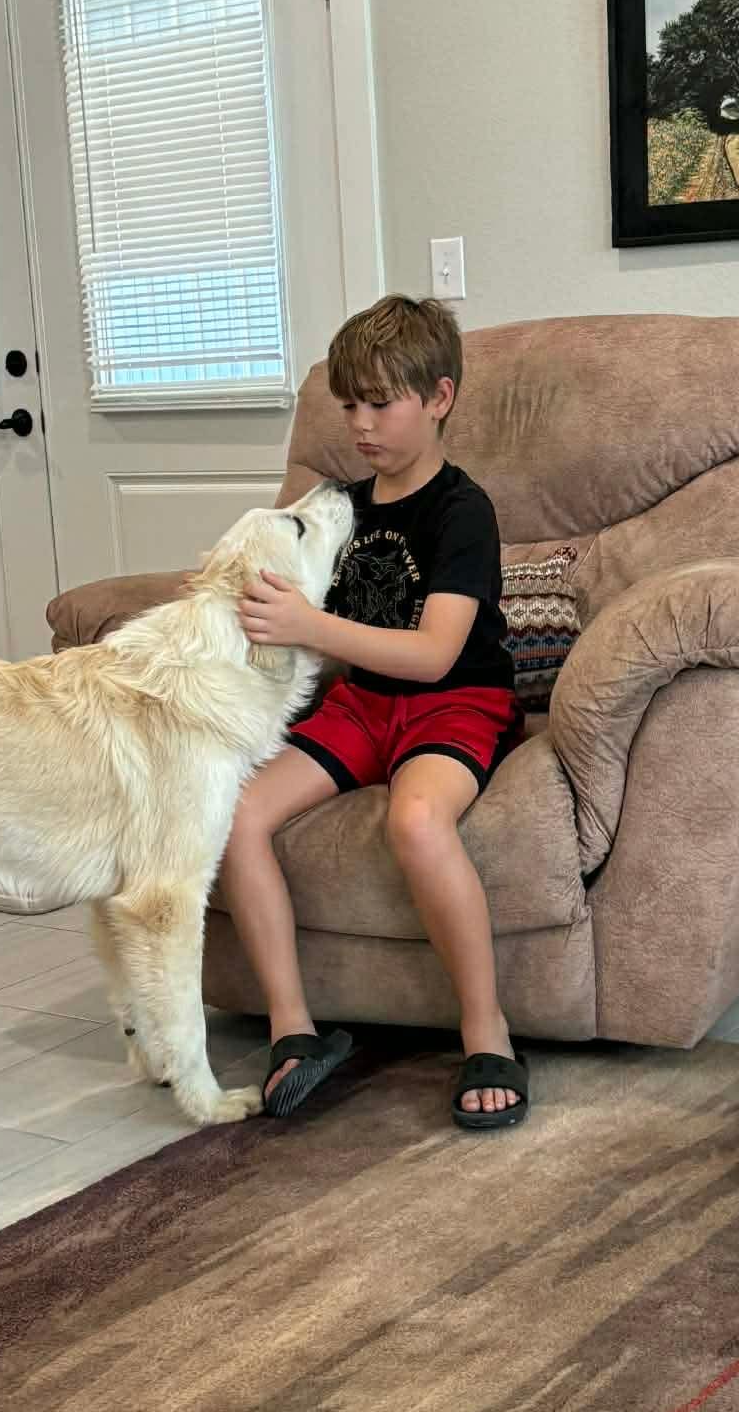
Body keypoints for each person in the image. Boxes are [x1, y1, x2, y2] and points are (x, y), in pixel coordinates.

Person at [223, 294, 528, 1131]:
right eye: (348, 405)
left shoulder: (464, 511)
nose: (360, 424)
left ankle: (486, 1030)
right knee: (240, 813)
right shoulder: (337, 505)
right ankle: (295, 1032)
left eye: (380, 404)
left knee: (418, 821)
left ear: (439, 398)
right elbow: (282, 592)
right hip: (363, 704)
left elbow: (434, 654)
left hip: (455, 701)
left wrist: (310, 625)